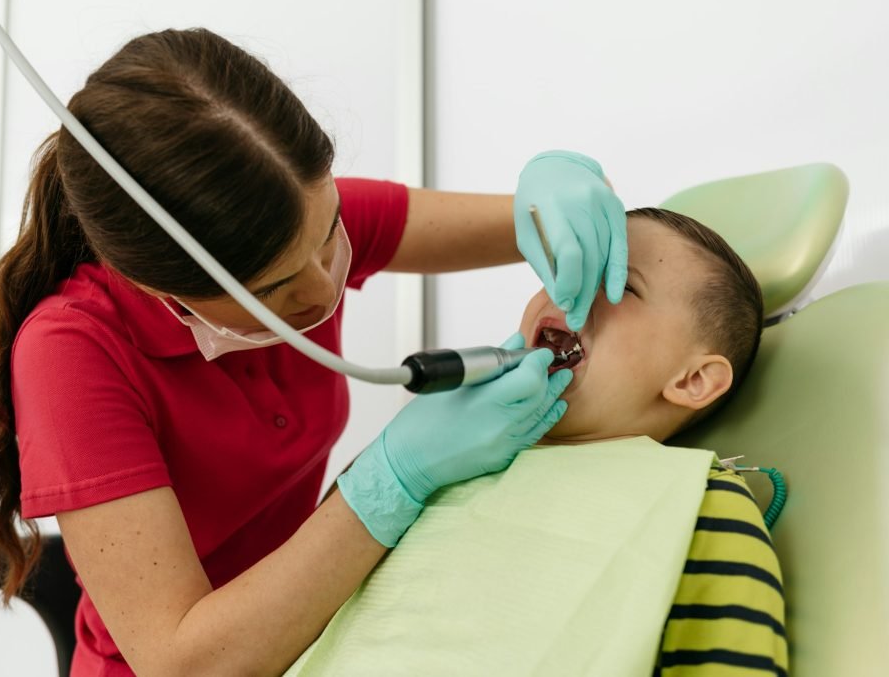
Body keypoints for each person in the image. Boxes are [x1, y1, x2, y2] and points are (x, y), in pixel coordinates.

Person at [0, 27, 627, 676]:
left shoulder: (289, 217)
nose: (323, 286)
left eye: (331, 231)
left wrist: (556, 187)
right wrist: (390, 482)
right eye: (272, 288)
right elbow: (182, 662)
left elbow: (530, 219)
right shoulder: (72, 351)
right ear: (158, 284)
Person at [284, 208, 787, 676]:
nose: (570, 293)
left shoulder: (701, 501)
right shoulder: (434, 461)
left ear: (693, 380)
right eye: (571, 270)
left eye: (622, 286)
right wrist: (377, 469)